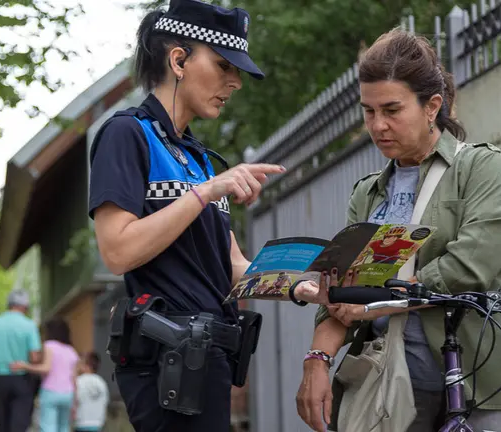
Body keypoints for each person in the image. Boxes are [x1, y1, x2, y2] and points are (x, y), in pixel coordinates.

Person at [87, 1, 327, 430]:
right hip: (168, 363)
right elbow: (118, 251)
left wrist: (305, 285)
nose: (234, 82)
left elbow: (234, 267)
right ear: (178, 60)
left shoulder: (198, 160)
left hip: (207, 360)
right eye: (222, 66)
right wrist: (206, 192)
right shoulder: (127, 134)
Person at [295, 28, 501, 432]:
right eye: (369, 111)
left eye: (392, 110)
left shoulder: (479, 168)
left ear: (432, 106)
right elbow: (343, 289)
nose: (378, 125)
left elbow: (469, 265)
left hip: (481, 378)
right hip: (388, 386)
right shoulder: (368, 194)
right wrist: (317, 360)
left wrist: (380, 302)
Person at [0, 289, 43, 432]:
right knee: (20, 423)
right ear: (25, 306)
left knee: (2, 423)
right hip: (22, 378)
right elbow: (34, 357)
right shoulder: (29, 325)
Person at [11, 317, 80, 432]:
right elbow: (74, 379)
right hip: (68, 394)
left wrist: (24, 366)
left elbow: (46, 368)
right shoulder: (72, 351)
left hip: (51, 392)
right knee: (64, 428)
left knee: (48, 427)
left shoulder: (49, 346)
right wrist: (75, 402)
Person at [73, 352, 110, 432]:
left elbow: (75, 399)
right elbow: (105, 401)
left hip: (81, 423)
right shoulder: (101, 382)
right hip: (98, 424)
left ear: (86, 366)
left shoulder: (78, 381)